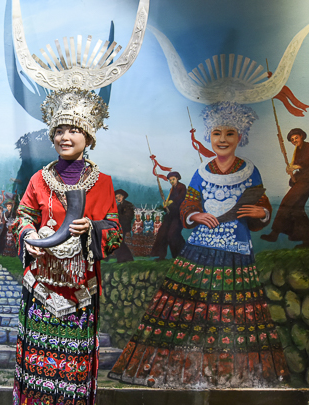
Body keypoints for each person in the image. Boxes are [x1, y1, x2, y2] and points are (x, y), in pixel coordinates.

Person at [110, 101, 285, 388]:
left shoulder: (250, 172)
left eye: (230, 134)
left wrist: (261, 213)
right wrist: (195, 214)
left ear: (240, 137)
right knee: (184, 308)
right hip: (200, 245)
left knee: (232, 311)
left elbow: (261, 201)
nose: (223, 140)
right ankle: (179, 371)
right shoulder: (201, 172)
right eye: (217, 133)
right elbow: (190, 202)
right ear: (209, 137)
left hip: (235, 249)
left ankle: (228, 374)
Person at [12, 89, 120, 405]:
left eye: (73, 130)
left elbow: (115, 232)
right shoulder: (39, 179)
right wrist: (30, 233)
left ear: (88, 136)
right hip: (42, 286)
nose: (65, 136)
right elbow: (23, 215)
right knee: (38, 357)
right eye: (60, 130)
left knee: (72, 363)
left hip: (79, 291)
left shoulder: (102, 183)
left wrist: (91, 228)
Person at [262, 128, 309, 248]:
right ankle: (306, 241)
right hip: (301, 180)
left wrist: (296, 166)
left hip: (307, 180)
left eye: (296, 138)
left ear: (302, 136)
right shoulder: (297, 150)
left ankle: (275, 233)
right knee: (298, 210)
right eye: (292, 140)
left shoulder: (308, 146)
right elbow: (297, 166)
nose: (294, 141)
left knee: (286, 203)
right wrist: (291, 169)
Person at [152, 171, 187, 259]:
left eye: (173, 179)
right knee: (162, 233)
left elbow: (181, 197)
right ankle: (161, 256)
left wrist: (171, 202)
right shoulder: (172, 189)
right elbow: (169, 203)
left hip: (178, 215)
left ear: (177, 178)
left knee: (172, 234)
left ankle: (180, 255)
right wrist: (165, 205)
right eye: (170, 180)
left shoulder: (181, 187)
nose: (171, 181)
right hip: (170, 215)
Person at [113, 189, 135, 262]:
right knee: (118, 241)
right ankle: (123, 258)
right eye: (116, 197)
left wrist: (118, 216)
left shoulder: (128, 205)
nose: (118, 198)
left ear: (123, 196)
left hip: (124, 226)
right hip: (119, 226)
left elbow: (129, 217)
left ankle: (127, 258)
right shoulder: (118, 207)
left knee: (119, 242)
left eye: (119, 196)